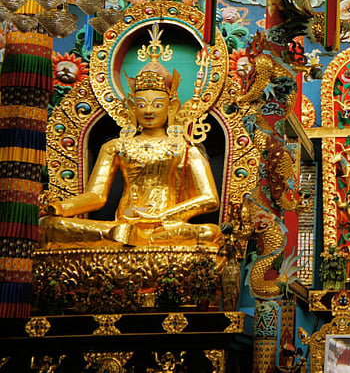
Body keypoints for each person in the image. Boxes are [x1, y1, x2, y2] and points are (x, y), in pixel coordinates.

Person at [40, 25, 221, 248]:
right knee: (49, 225)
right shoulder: (116, 146)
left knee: (210, 233)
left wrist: (165, 216)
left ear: (171, 107)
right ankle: (120, 235)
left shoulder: (185, 148)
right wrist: (61, 207)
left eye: (157, 105)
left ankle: (127, 237)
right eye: (142, 105)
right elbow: (97, 196)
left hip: (165, 230)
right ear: (131, 108)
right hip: (122, 224)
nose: (148, 111)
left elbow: (210, 199)